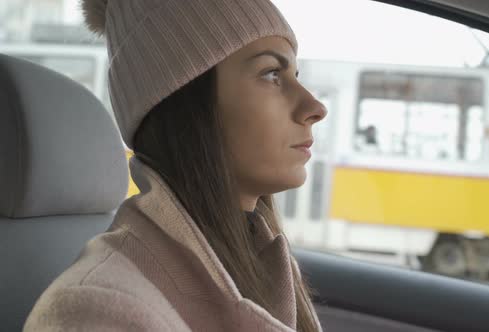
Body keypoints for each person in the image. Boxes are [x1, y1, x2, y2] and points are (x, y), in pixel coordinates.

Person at [24, 0, 327, 331]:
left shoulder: (264, 263)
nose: (315, 107)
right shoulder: (94, 311)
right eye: (271, 74)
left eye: (293, 75)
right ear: (186, 105)